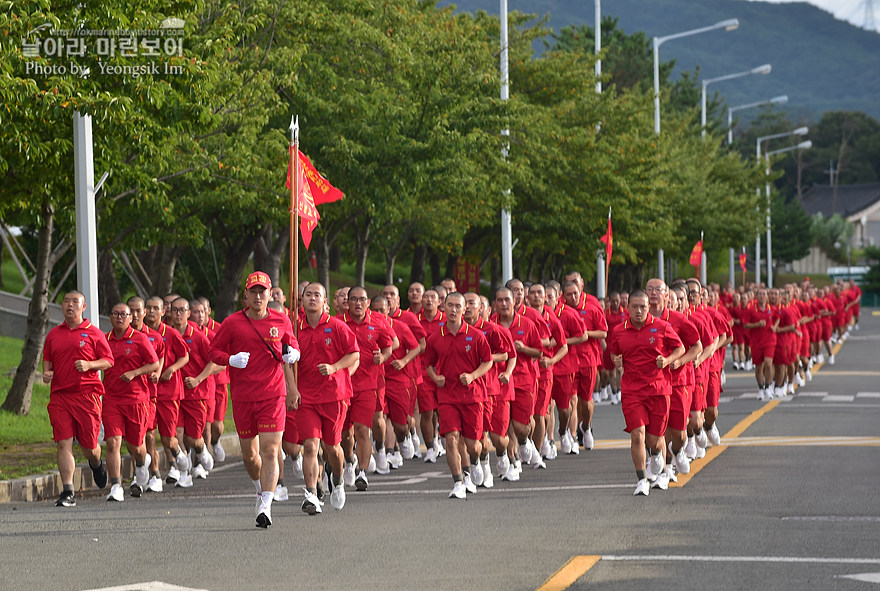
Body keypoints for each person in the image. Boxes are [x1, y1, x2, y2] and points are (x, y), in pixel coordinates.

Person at [208, 272, 300, 527]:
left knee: (271, 450)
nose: (258, 297)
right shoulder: (232, 323)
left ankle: (266, 505)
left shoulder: (281, 320)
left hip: (272, 395)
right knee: (250, 456)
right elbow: (213, 352)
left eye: (263, 292)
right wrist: (230, 360)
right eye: (254, 292)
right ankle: (259, 488)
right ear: (245, 296)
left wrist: (293, 354)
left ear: (270, 294)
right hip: (243, 397)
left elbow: (291, 349)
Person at [610, 290, 684, 496]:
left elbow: (680, 348)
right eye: (635, 307)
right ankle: (641, 479)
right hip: (632, 391)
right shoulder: (619, 331)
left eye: (643, 307)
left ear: (648, 307)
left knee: (654, 439)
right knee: (637, 435)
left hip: (658, 390)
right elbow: (614, 352)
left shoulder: (662, 327)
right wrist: (616, 360)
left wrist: (668, 360)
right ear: (628, 308)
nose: (639, 310)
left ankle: (656, 454)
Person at [42, 291, 113, 507]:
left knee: (89, 446)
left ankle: (96, 462)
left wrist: (90, 365)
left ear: (84, 307)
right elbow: (47, 362)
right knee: (63, 443)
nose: (70, 305)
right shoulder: (53, 334)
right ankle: (68, 491)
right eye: (66, 301)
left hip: (87, 395)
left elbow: (109, 360)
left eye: (75, 302)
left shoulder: (94, 333)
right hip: (60, 396)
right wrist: (47, 374)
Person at [294, 282, 359, 515]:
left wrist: (334, 367)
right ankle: (311, 494)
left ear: (325, 302)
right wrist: (292, 390)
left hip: (334, 395)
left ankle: (338, 481)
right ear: (302, 300)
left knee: (332, 447)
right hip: (306, 396)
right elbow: (286, 361)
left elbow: (354, 353)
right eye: (308, 295)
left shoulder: (337, 326)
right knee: (310, 445)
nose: (312, 298)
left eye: (317, 295)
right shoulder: (295, 328)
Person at [424, 292, 493, 499]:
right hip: (447, 397)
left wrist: (472, 376)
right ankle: (458, 482)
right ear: (443, 307)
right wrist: (436, 378)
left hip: (472, 396)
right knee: (451, 439)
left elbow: (488, 361)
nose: (453, 310)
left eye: (458, 306)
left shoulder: (476, 335)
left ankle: (477, 461)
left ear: (465, 309)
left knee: (473, 444)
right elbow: (428, 364)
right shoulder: (436, 337)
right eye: (450, 305)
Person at [645, 279, 702, 487]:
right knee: (655, 428)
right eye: (649, 289)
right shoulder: (642, 320)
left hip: (679, 381)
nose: (653, 293)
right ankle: (663, 466)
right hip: (651, 383)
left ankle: (677, 451)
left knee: (678, 432)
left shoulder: (678, 320)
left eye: (658, 290)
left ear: (667, 296)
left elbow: (697, 346)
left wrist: (679, 361)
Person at [102, 302, 160, 501]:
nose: (119, 317)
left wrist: (135, 373)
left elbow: (154, 363)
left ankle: (143, 463)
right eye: (115, 314)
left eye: (123, 314)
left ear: (130, 318)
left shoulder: (140, 339)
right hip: (111, 399)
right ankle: (116, 486)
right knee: (113, 442)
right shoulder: (104, 339)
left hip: (136, 399)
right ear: (110, 317)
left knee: (135, 446)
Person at [341, 286, 396, 490]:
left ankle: (362, 472)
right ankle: (349, 461)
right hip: (343, 386)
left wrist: (383, 356)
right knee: (346, 434)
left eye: (361, 299)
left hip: (367, 385)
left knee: (363, 429)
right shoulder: (338, 323)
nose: (357, 303)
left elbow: (389, 347)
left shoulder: (378, 323)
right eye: (353, 299)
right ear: (347, 302)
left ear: (367, 303)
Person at [463, 291, 515, 488]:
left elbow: (506, 354)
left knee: (496, 437)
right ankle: (482, 466)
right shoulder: (455, 330)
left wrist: (485, 359)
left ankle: (502, 453)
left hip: (491, 388)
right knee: (476, 435)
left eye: (471, 303)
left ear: (481, 307)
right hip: (468, 391)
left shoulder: (492, 330)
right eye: (464, 303)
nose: (467, 307)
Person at [491, 286, 542, 479]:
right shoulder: (490, 325)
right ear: (494, 304)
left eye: (507, 300)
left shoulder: (527, 324)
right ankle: (512, 462)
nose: (504, 304)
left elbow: (538, 351)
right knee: (505, 425)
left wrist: (523, 348)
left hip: (524, 379)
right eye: (500, 300)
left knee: (520, 427)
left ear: (515, 302)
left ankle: (524, 442)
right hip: (501, 380)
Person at [169, 298, 220, 487]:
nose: (178, 314)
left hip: (197, 393)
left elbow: (214, 361)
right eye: (175, 310)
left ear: (188, 313)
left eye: (182, 310)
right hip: (175, 393)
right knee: (177, 433)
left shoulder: (198, 336)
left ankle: (202, 451)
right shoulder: (168, 334)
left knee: (194, 438)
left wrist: (198, 379)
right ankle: (185, 471)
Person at [143, 296, 192, 487]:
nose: (152, 311)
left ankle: (179, 455)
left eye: (156, 308)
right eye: (149, 308)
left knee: (169, 438)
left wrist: (171, 369)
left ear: (164, 311)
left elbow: (185, 356)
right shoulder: (141, 333)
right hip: (147, 392)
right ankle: (155, 475)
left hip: (169, 392)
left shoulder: (170, 333)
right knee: (149, 434)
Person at [373, 294, 420, 470]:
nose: (378, 313)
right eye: (375, 310)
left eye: (381, 310)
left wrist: (403, 361)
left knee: (400, 424)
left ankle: (405, 437)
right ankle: (384, 452)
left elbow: (415, 347)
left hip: (398, 379)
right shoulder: (369, 327)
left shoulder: (399, 326)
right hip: (377, 379)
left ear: (389, 310)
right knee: (380, 418)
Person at [126, 296, 166, 492]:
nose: (134, 315)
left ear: (143, 313)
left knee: (149, 435)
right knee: (131, 438)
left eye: (137, 311)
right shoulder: (119, 336)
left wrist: (157, 373)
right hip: (125, 396)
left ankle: (155, 474)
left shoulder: (154, 337)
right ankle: (139, 474)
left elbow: (161, 357)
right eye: (130, 311)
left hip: (148, 393)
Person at [416, 288, 447, 462]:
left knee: (442, 410)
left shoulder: (445, 319)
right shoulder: (415, 320)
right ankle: (429, 448)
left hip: (444, 371)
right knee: (427, 412)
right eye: (425, 297)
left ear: (439, 302)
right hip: (423, 371)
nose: (428, 300)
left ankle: (443, 439)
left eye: (432, 298)